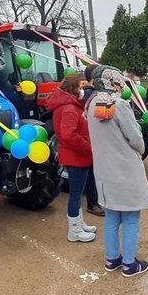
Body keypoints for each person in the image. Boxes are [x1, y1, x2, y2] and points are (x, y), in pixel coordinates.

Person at [85, 66, 148, 277]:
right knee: (131, 219)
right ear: (114, 81)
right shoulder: (119, 104)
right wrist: (141, 148)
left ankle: (112, 259)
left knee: (112, 218)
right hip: (125, 169)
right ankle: (130, 264)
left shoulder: (91, 103)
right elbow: (135, 138)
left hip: (104, 170)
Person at [45, 75, 97, 242]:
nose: (83, 90)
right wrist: (88, 147)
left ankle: (79, 223)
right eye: (81, 86)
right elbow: (69, 135)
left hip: (77, 155)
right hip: (76, 156)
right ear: (73, 88)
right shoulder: (69, 108)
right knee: (75, 194)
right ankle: (74, 231)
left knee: (77, 192)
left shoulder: (70, 105)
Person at [80, 65, 105, 216]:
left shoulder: (88, 93)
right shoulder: (92, 95)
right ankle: (93, 203)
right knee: (92, 172)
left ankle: (95, 200)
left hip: (92, 137)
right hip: (92, 138)